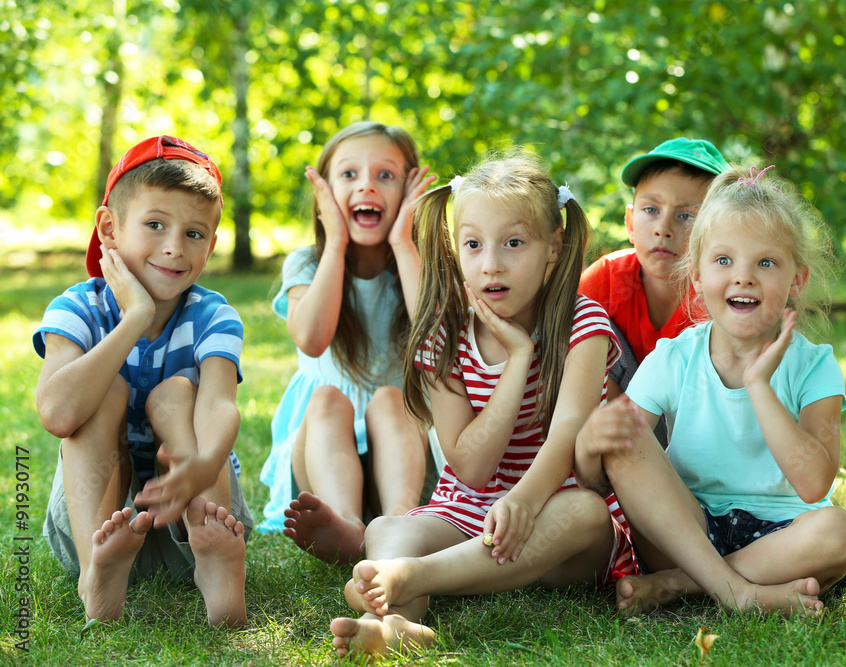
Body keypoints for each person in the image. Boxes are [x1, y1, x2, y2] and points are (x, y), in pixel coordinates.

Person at [329, 151, 637, 657]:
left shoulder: (584, 325)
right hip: (467, 513)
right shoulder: (443, 335)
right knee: (387, 527)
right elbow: (470, 468)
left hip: (553, 521)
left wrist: (524, 500)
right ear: (455, 249)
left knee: (583, 512)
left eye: (513, 243)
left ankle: (416, 577)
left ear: (552, 250)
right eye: (473, 244)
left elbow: (567, 434)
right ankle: (392, 624)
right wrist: (517, 359)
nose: (491, 262)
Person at [576, 164, 846, 618]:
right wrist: (592, 445)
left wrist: (759, 386)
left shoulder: (815, 366)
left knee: (840, 532)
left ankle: (682, 586)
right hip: (686, 532)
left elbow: (813, 484)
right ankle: (737, 591)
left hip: (785, 541)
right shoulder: (676, 357)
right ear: (697, 277)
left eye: (765, 263)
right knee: (626, 432)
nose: (743, 277)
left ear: (797, 280)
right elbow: (610, 464)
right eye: (724, 261)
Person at [34, 135, 252, 626]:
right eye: (155, 225)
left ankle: (215, 570)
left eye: (195, 234)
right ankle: (98, 573)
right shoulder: (78, 308)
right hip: (98, 522)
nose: (175, 248)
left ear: (212, 245)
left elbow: (219, 403)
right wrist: (135, 317)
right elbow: (57, 412)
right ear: (109, 229)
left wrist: (203, 463)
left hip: (199, 511)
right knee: (104, 390)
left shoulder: (213, 315)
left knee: (177, 394)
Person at [258, 122, 437, 564]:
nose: (367, 187)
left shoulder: (422, 264)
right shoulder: (309, 262)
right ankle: (346, 523)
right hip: (322, 459)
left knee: (394, 398)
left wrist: (403, 242)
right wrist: (335, 241)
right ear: (325, 192)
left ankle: (398, 524)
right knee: (325, 400)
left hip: (400, 455)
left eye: (385, 175)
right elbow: (313, 340)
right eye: (349, 175)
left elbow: (440, 339)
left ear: (410, 188)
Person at [580, 137, 728, 444]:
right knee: (584, 326)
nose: (664, 228)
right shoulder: (605, 279)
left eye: (687, 215)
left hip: (699, 433)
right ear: (630, 223)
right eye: (651, 209)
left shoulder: (721, 295)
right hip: (618, 425)